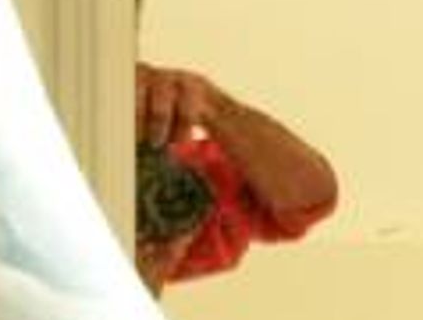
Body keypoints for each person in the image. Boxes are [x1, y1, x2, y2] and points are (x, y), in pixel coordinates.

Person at [132, 63, 339, 293]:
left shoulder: (173, 236)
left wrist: (128, 291)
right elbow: (310, 196)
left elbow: (309, 200)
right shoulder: (193, 190)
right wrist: (206, 104)